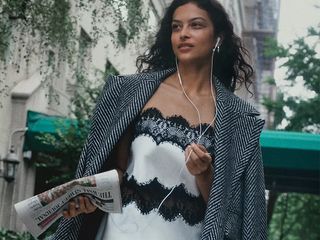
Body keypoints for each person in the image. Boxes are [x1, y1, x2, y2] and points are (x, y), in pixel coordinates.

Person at [53, 0, 267, 239]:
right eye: (176, 27)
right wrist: (91, 195)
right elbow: (117, 169)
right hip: (120, 230)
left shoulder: (240, 120)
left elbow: (234, 212)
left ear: (218, 37)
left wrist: (205, 173)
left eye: (195, 25)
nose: (184, 34)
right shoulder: (129, 92)